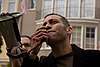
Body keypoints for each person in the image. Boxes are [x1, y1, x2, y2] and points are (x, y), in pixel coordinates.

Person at [28, 13, 100, 67]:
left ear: (69, 30)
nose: (47, 26)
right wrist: (32, 54)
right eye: (44, 25)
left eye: (53, 22)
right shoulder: (43, 64)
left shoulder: (94, 58)